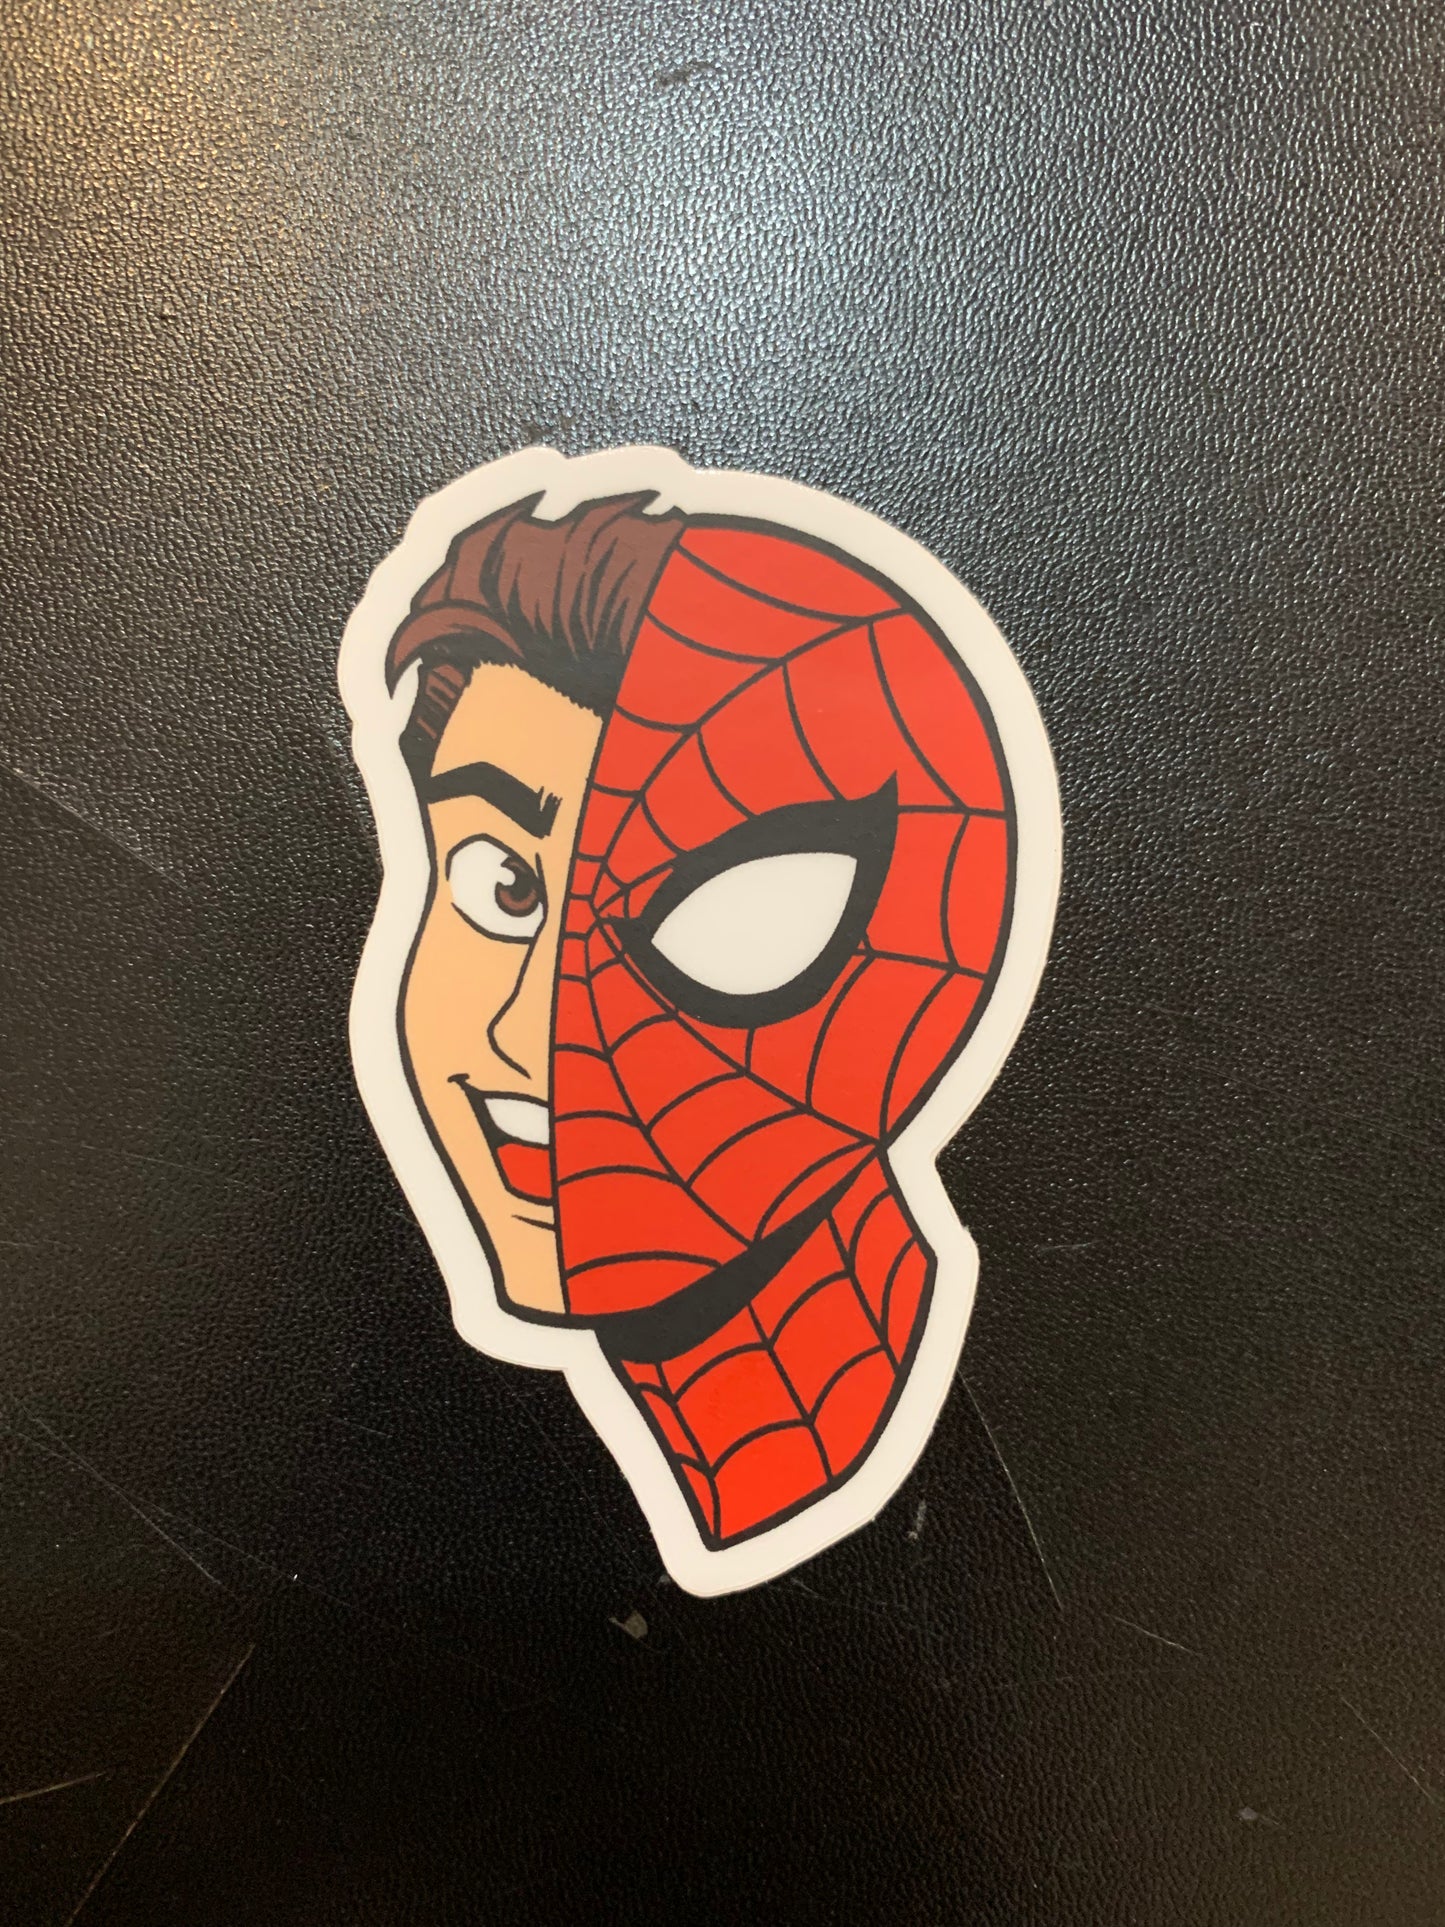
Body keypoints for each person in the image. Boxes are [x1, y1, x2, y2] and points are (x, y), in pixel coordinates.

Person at [361, 473, 1029, 1574]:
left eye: (724, 914)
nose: (536, 1035)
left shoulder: (1006, 1499)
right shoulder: (423, 1487)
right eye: (501, 889)